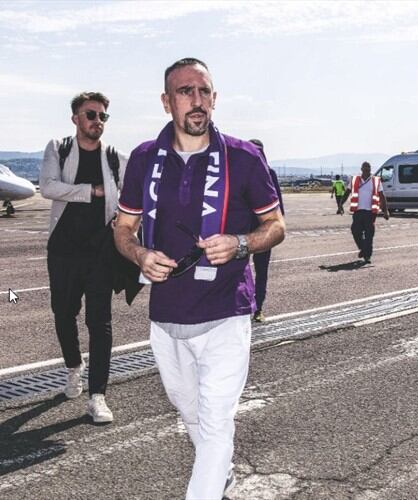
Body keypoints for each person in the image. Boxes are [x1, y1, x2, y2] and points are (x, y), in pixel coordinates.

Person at [114, 58, 285, 499]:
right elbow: (123, 227)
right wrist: (139, 254)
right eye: (185, 91)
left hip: (226, 310)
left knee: (215, 421)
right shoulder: (144, 158)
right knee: (190, 413)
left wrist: (241, 243)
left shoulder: (243, 157)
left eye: (204, 91)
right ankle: (220, 471)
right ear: (166, 101)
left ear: (214, 98)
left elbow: (275, 226)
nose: (197, 100)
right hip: (167, 314)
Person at [39, 91, 128, 423]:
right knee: (64, 314)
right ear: (75, 118)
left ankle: (98, 396)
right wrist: (90, 191)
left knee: (100, 323)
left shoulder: (116, 158)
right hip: (63, 251)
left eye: (103, 116)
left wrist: (126, 222)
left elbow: (134, 197)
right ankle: (74, 366)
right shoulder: (59, 148)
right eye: (91, 114)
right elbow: (48, 186)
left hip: (101, 253)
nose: (97, 121)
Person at [248, 138, 284, 323]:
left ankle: (258, 307)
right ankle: (241, 307)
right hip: (243, 231)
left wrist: (278, 226)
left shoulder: (270, 174)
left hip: (264, 231)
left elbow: (278, 204)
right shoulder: (239, 172)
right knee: (237, 271)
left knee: (261, 271)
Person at [349, 161, 389, 264]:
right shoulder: (355, 180)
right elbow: (347, 192)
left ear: (370, 169)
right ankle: (363, 248)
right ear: (361, 169)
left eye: (368, 168)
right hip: (358, 211)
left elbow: (382, 196)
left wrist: (385, 211)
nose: (367, 169)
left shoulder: (376, 181)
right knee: (355, 231)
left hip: (370, 212)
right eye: (365, 167)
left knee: (369, 234)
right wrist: (340, 204)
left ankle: (367, 255)